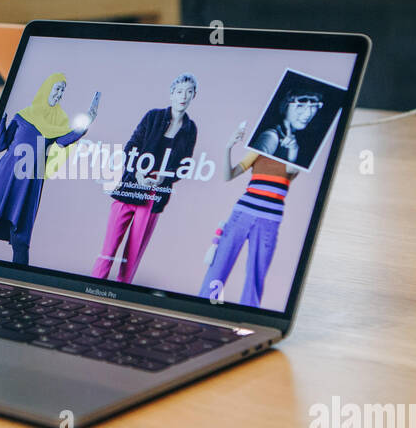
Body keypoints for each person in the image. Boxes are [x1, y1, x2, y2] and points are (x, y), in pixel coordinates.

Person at [0, 73, 100, 266]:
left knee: (20, 241)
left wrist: (88, 120)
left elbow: (65, 141)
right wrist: (0, 120)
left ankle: (19, 290)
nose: (60, 93)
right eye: (57, 88)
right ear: (47, 89)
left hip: (28, 185)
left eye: (63, 90)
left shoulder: (58, 123)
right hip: (3, 177)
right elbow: (1, 145)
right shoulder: (22, 116)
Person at [91, 73, 199, 283]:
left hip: (155, 196)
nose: (183, 96)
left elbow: (184, 165)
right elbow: (131, 147)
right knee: (107, 251)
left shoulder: (190, 128)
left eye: (189, 92)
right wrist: (138, 172)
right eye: (179, 92)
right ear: (171, 94)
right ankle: (93, 289)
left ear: (194, 95)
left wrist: (163, 178)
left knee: (131, 259)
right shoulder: (153, 117)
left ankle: (120, 298)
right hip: (130, 187)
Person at [199, 122, 298, 309]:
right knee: (219, 266)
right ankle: (205, 307)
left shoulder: (295, 154)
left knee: (256, 274)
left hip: (269, 220)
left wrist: (293, 149)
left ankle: (247, 315)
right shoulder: (259, 150)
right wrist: (228, 147)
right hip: (242, 213)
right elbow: (229, 176)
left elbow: (292, 172)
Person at [252, 91, 323, 165]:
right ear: (285, 105)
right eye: (300, 105)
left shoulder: (299, 138)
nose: (308, 113)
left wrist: (293, 151)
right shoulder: (271, 137)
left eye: (313, 106)